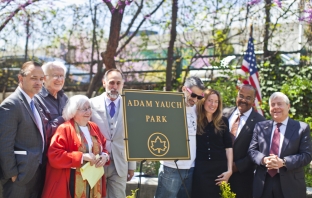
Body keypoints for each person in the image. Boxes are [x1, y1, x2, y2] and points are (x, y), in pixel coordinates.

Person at [41, 95, 109, 198]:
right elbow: (54, 156)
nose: (88, 112)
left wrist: (104, 156)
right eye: (84, 109)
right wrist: (82, 157)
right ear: (73, 111)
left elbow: (103, 147)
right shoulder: (64, 129)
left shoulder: (94, 127)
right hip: (72, 182)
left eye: (89, 108)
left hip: (94, 181)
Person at [248, 92, 312, 198]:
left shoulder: (301, 128)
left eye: (279, 104)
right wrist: (264, 160)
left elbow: (306, 155)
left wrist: (283, 162)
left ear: (288, 106)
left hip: (290, 184)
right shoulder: (260, 127)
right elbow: (252, 151)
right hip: (263, 183)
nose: (276, 107)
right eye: (273, 104)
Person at [0, 61, 46, 198]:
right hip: (19, 177)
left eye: (41, 79)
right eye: (34, 78)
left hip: (36, 173)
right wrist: (12, 173)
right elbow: (4, 143)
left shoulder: (34, 102)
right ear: (21, 78)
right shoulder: (11, 104)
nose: (38, 82)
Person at [155, 76, 205, 198]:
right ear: (184, 89)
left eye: (199, 97)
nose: (196, 100)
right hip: (170, 168)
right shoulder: (168, 106)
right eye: (193, 95)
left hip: (190, 168)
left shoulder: (197, 109)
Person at [90, 69, 136, 198]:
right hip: (97, 161)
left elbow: (133, 137)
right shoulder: (92, 104)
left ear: (122, 84)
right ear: (104, 83)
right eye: (111, 83)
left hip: (120, 163)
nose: (114, 87)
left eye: (118, 83)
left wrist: (131, 166)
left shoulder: (130, 105)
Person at [223, 84, 265, 198]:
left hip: (242, 180)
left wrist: (235, 167)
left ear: (253, 100)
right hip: (218, 174)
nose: (243, 100)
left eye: (248, 97)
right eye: (241, 96)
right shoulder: (224, 114)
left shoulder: (260, 122)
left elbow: (258, 151)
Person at [192, 89, 233, 198]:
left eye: (216, 101)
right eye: (210, 100)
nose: (213, 104)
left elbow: (228, 147)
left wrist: (229, 170)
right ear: (203, 101)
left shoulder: (223, 121)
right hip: (201, 169)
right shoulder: (195, 120)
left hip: (220, 171)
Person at [35, 61, 68, 145]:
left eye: (62, 76)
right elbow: (44, 131)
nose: (60, 79)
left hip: (66, 152)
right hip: (46, 154)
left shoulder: (64, 98)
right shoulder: (36, 99)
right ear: (44, 78)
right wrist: (64, 118)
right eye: (55, 75)